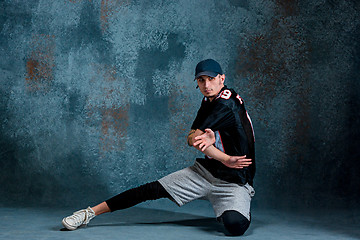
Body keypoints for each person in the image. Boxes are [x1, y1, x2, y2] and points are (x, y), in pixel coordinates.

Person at [61, 59, 256, 236]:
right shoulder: (208, 100)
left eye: (211, 79)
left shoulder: (226, 103)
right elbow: (191, 139)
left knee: (235, 225)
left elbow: (196, 140)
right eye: (201, 80)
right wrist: (219, 154)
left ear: (222, 78)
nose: (206, 85)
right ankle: (88, 213)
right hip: (205, 173)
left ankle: (225, 207)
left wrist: (223, 157)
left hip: (234, 182)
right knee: (150, 190)